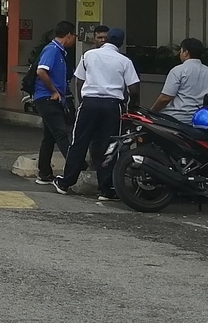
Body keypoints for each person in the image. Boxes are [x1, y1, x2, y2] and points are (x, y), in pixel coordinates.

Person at [55, 26, 140, 200]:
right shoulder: (124, 61)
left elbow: (79, 80)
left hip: (89, 103)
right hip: (112, 106)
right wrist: (131, 106)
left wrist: (82, 101)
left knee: (79, 142)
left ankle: (65, 182)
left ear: (106, 39)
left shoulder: (88, 55)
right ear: (121, 43)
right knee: (108, 147)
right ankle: (106, 189)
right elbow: (134, 88)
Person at [29, 21, 77, 183]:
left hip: (50, 98)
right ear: (68, 35)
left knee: (49, 137)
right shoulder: (52, 50)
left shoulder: (60, 52)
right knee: (61, 133)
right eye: (74, 36)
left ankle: (44, 173)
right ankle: (76, 166)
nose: (74, 39)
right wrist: (54, 91)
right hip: (47, 98)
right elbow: (41, 71)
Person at [152, 37, 208, 123]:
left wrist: (151, 112)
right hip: (202, 120)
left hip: (175, 119)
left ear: (186, 52)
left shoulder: (178, 71)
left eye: (181, 51)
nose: (179, 54)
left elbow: (165, 98)